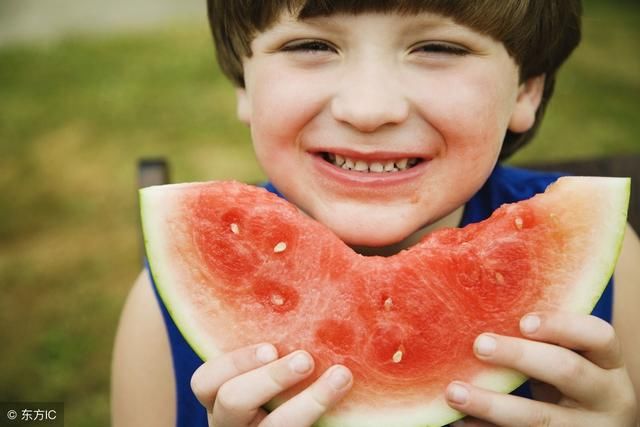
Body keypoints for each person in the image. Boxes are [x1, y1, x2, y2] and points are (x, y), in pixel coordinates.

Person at [111, 1, 640, 426]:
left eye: (438, 47)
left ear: (527, 89)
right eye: (311, 44)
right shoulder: (156, 316)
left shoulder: (619, 268)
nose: (369, 110)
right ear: (245, 85)